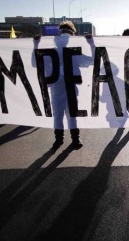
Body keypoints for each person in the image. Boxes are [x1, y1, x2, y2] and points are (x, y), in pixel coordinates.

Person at [33, 21, 94, 150]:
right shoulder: (54, 52)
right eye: (62, 33)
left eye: (67, 34)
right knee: (60, 113)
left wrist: (91, 43)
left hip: (67, 85)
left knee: (69, 113)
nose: (64, 37)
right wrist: (36, 44)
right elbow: (35, 63)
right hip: (58, 86)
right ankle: (63, 139)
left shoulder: (73, 53)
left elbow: (94, 60)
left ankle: (72, 138)